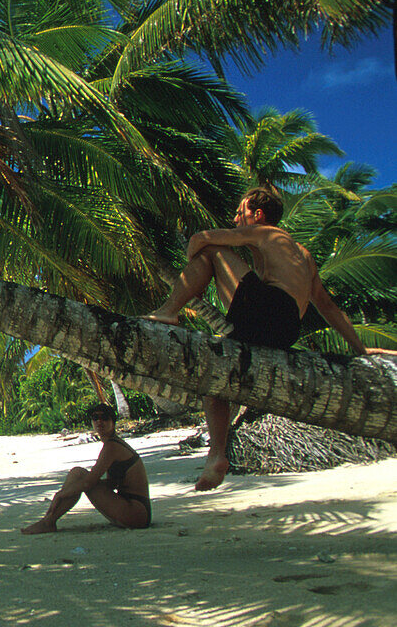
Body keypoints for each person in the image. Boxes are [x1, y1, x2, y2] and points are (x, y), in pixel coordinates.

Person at [143, 186, 375, 491]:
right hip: (285, 329)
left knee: (212, 251)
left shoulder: (265, 233)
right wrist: (361, 349)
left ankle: (167, 311)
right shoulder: (303, 255)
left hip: (268, 309)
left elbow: (202, 238)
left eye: (241, 213)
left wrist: (193, 263)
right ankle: (216, 455)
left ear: (258, 215)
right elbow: (329, 308)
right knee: (215, 379)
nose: (236, 219)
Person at [21, 403, 151, 534]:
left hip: (136, 513)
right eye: (95, 418)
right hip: (135, 513)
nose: (99, 421)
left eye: (105, 417)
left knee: (78, 474)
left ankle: (48, 521)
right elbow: (112, 483)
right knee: (78, 474)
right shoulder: (112, 444)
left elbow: (89, 482)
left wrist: (61, 494)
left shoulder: (112, 447)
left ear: (113, 422)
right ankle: (48, 520)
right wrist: (69, 490)